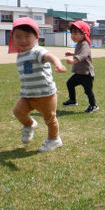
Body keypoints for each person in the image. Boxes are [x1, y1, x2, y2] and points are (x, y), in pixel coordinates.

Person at [9, 17, 67, 152]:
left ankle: (54, 140)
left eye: (27, 36)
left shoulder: (37, 51)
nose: (23, 40)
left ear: (36, 37)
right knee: (18, 112)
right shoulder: (20, 55)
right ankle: (29, 125)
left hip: (45, 94)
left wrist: (58, 64)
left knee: (50, 119)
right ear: (13, 39)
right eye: (18, 37)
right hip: (27, 94)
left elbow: (50, 56)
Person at [63, 21, 98, 113]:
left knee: (88, 91)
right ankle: (72, 100)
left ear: (84, 34)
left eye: (76, 33)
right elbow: (79, 52)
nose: (73, 36)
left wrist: (74, 60)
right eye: (72, 33)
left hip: (87, 74)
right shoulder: (79, 43)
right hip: (79, 73)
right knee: (70, 83)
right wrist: (72, 53)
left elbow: (83, 55)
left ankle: (93, 105)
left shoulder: (85, 44)